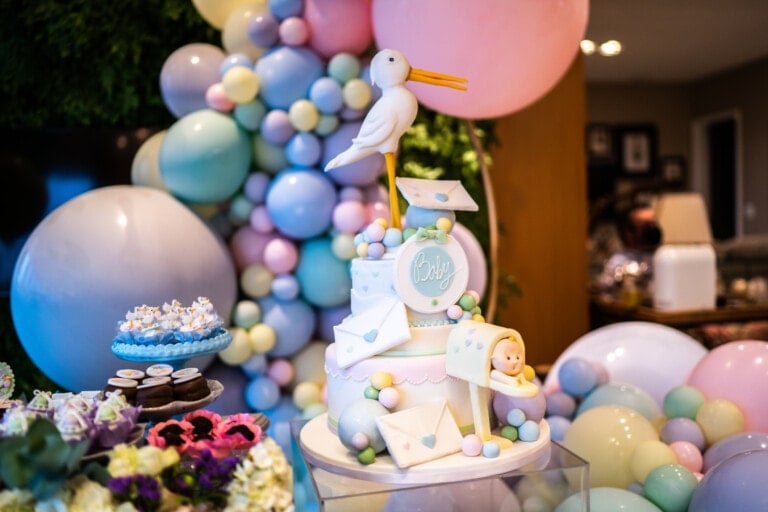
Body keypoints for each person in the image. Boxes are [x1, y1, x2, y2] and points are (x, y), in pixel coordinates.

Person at [595, 202, 663, 305]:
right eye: (646, 225)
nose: (652, 228)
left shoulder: (664, 257)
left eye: (654, 223)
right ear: (629, 233)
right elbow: (606, 292)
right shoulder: (618, 262)